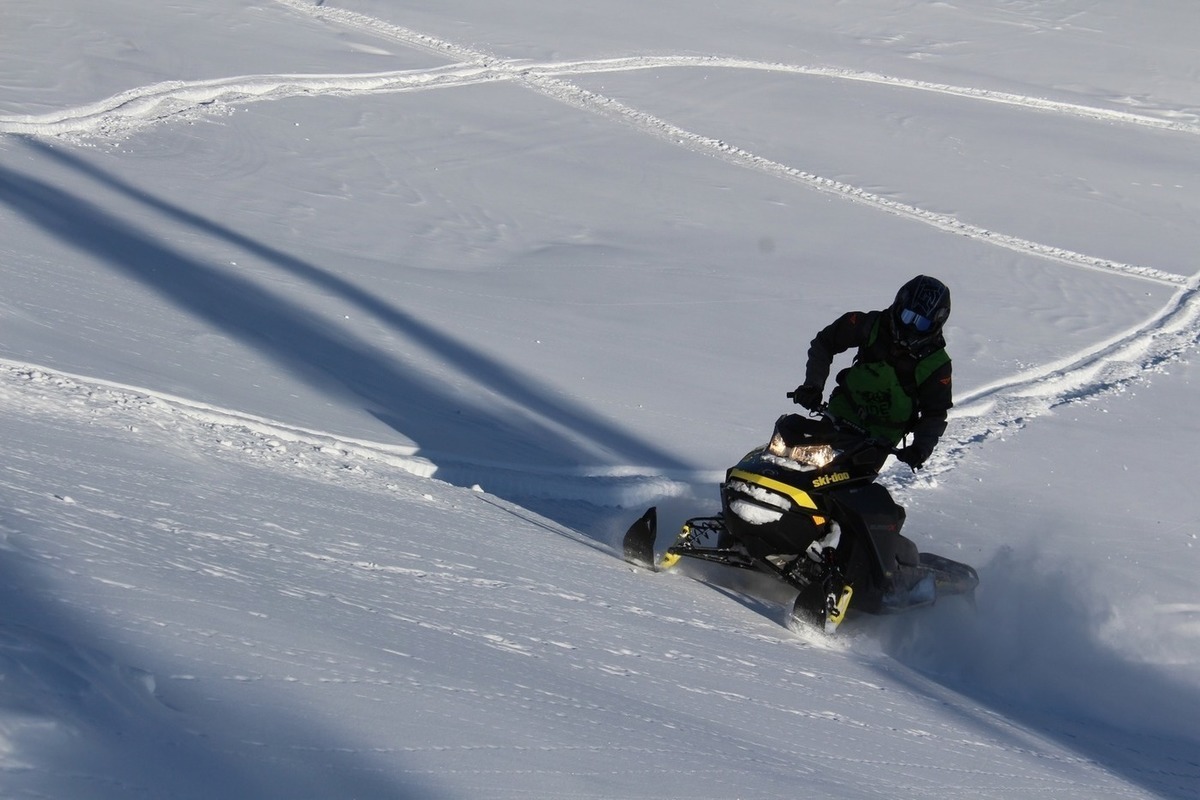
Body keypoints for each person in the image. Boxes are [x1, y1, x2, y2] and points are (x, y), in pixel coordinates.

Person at [791, 275, 953, 471]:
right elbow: (825, 343)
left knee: (842, 490)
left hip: (878, 440)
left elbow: (934, 413)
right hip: (839, 415)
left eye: (921, 323)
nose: (911, 326)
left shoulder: (936, 364)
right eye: (908, 316)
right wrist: (813, 385)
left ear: (936, 324)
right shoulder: (870, 324)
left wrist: (920, 449)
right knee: (797, 465)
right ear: (898, 306)